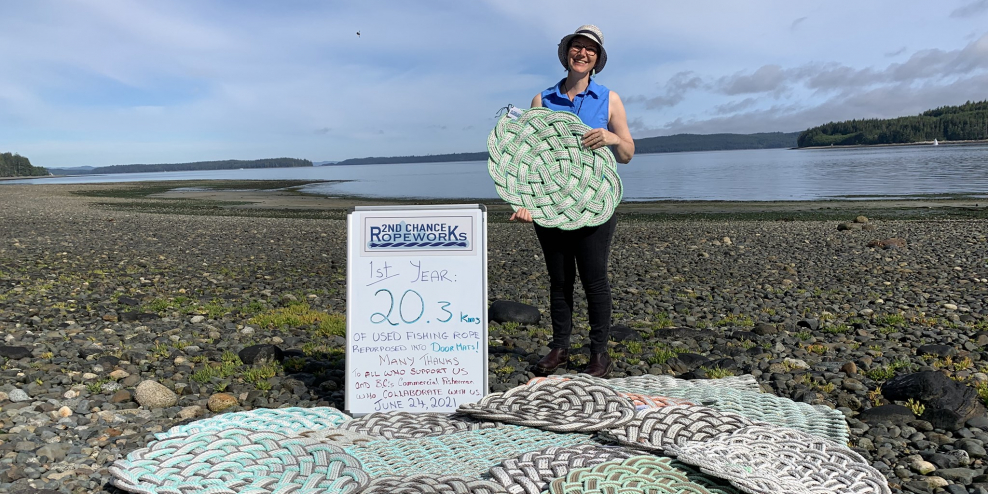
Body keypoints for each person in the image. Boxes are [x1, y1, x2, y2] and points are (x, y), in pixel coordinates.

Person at [510, 24, 634, 378]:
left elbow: (627, 154)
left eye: (590, 50)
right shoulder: (541, 101)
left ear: (597, 60)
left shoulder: (609, 99)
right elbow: (526, 158)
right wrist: (523, 202)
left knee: (595, 281)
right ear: (566, 53)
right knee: (559, 280)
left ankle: (599, 354)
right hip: (549, 205)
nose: (582, 53)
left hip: (596, 205)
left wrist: (612, 136)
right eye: (576, 47)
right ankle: (560, 347)